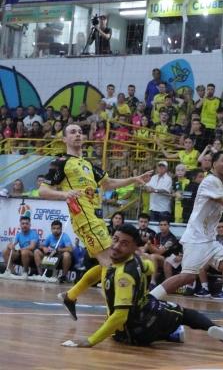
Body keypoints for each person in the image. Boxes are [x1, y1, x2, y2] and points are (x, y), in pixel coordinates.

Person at [59, 224, 223, 352]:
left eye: (124, 244)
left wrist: (90, 339)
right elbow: (148, 267)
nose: (115, 246)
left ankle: (173, 333)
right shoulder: (131, 263)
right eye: (115, 239)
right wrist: (89, 339)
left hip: (123, 333)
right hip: (137, 328)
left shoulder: (120, 272)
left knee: (167, 311)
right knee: (181, 313)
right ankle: (206, 329)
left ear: (134, 247)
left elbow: (119, 316)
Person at [148, 151, 223, 330]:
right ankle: (148, 300)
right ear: (213, 164)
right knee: (186, 276)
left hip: (209, 240)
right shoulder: (211, 180)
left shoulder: (218, 183)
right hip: (197, 239)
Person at [39, 124, 151, 311]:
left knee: (108, 262)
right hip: (84, 218)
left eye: (79, 132)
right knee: (110, 264)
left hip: (97, 218)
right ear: (64, 140)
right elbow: (43, 190)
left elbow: (108, 183)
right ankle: (114, 312)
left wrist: (134, 179)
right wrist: (64, 195)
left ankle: (71, 296)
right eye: (72, 132)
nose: (77, 134)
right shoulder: (60, 162)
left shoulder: (89, 165)